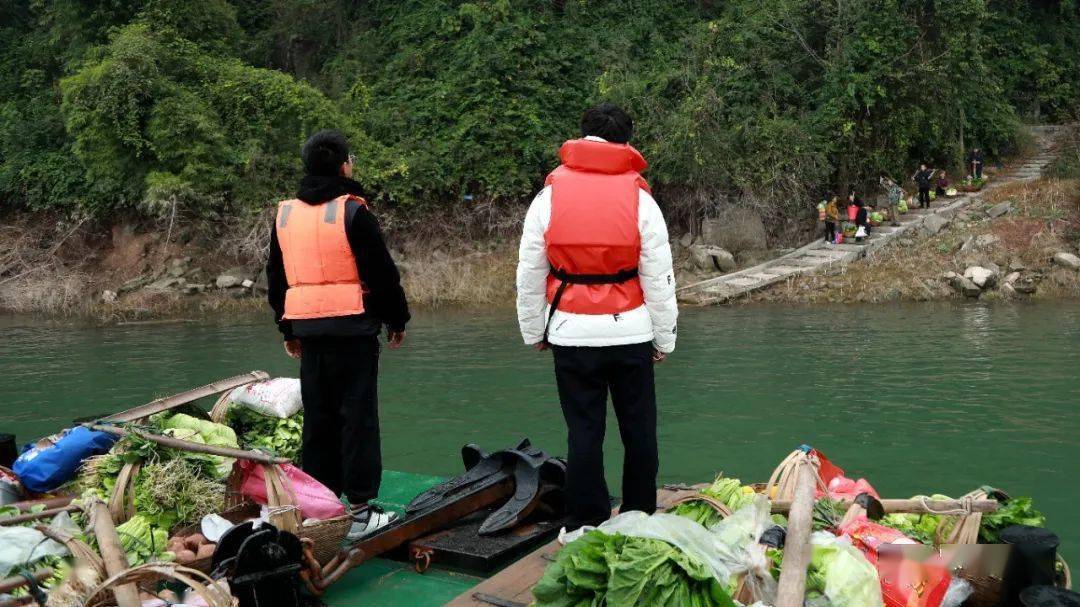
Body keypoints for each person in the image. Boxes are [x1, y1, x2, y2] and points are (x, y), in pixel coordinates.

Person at [516, 103, 677, 530]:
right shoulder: (640, 197)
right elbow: (658, 276)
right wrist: (664, 339)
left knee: (584, 432)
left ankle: (584, 524)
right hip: (632, 332)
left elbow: (530, 268)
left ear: (582, 136)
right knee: (638, 430)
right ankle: (639, 515)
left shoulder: (549, 194)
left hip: (570, 332)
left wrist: (535, 330)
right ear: (626, 142)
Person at [266, 130, 410, 541]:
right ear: (344, 165)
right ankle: (362, 511)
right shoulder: (352, 211)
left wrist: (287, 327)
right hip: (353, 329)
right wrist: (396, 320)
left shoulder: (286, 215)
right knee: (357, 418)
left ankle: (321, 507)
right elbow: (382, 274)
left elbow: (276, 277)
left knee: (319, 419)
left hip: (309, 331)